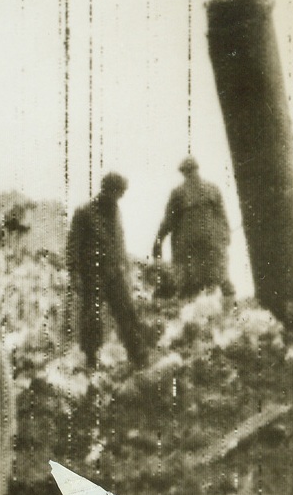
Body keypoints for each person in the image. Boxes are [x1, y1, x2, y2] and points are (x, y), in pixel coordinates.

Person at [66, 173, 149, 370]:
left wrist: (124, 267)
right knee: (92, 318)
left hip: (113, 273)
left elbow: (119, 242)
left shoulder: (115, 212)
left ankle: (139, 357)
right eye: (117, 192)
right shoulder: (84, 212)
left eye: (121, 193)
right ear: (107, 190)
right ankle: (91, 361)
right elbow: (73, 246)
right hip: (92, 274)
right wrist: (75, 274)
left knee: (127, 313)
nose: (118, 197)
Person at [152, 157, 234, 298]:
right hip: (212, 245)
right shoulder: (213, 189)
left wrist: (158, 242)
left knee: (189, 286)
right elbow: (222, 217)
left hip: (188, 248)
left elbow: (168, 222)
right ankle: (224, 306)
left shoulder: (178, 193)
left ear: (183, 173)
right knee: (220, 280)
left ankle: (198, 306)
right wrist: (225, 237)